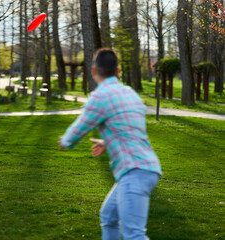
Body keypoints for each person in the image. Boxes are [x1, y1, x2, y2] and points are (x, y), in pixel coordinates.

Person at [58, 48, 162, 240]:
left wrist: (66, 141)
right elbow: (130, 129)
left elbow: (81, 126)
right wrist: (107, 142)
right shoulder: (130, 93)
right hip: (145, 168)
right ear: (118, 71)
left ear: (93, 70)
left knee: (134, 234)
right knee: (108, 216)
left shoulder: (100, 96)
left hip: (135, 171)